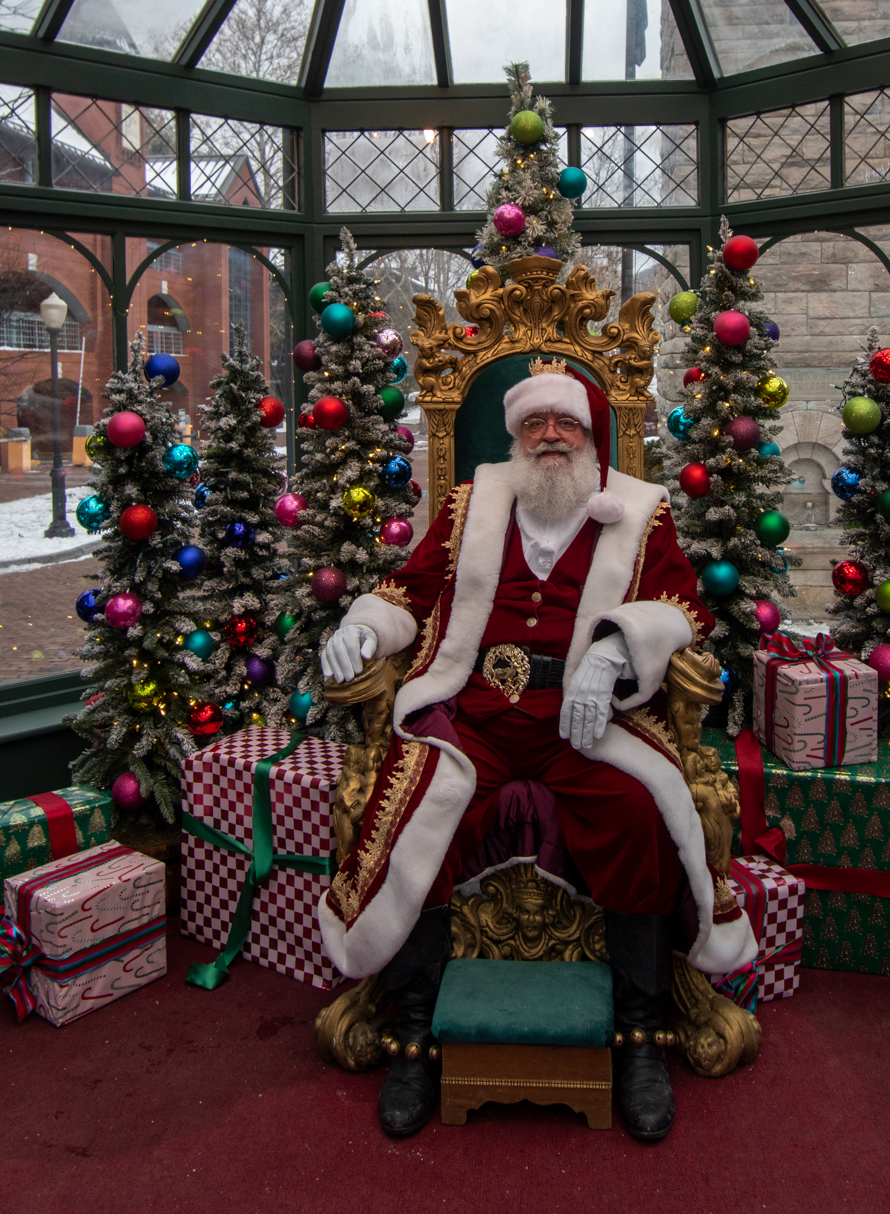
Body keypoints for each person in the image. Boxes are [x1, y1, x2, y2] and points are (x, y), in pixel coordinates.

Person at [318, 358, 755, 1142]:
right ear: (516, 435)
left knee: (637, 815)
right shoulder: (471, 503)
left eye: (566, 425)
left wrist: (620, 647)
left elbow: (688, 605)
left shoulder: (639, 509)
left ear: (591, 435)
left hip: (584, 723)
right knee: (423, 811)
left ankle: (641, 1039)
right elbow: (409, 592)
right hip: (477, 711)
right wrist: (362, 624)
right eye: (535, 424)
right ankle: (414, 1036)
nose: (550, 436)